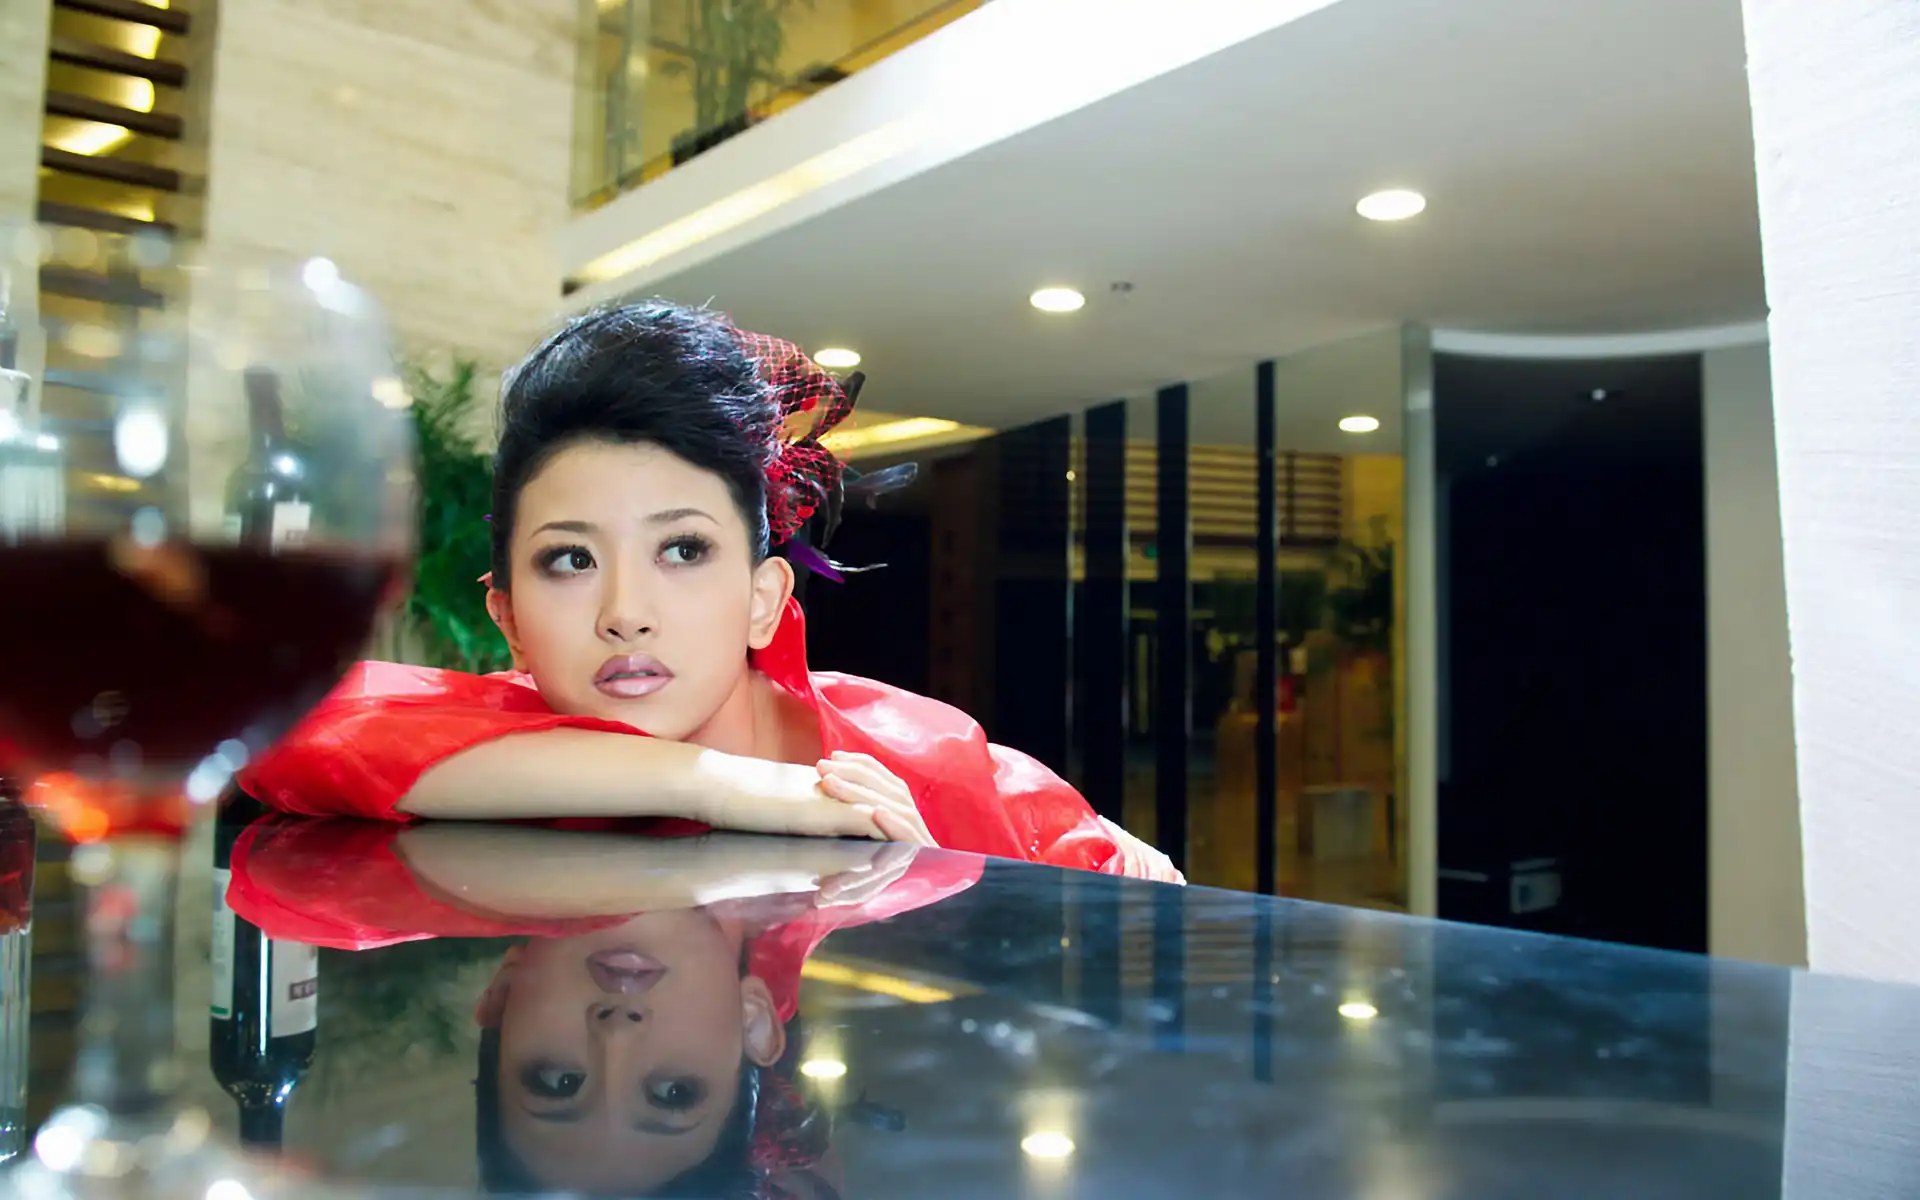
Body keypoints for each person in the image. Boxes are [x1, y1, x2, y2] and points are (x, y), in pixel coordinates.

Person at [239, 302, 1179, 882]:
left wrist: (924, 892)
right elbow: (278, 723)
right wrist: (735, 788)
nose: (625, 612)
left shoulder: (915, 756)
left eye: (682, 549)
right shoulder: (506, 740)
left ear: (765, 598)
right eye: (570, 560)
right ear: (509, 620)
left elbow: (1118, 906)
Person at [225, 816, 971, 1195]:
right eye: (673, 1093)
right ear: (753, 1022)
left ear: (502, 996)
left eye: (557, 1081)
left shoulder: (414, 796)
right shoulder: (885, 825)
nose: (615, 1033)